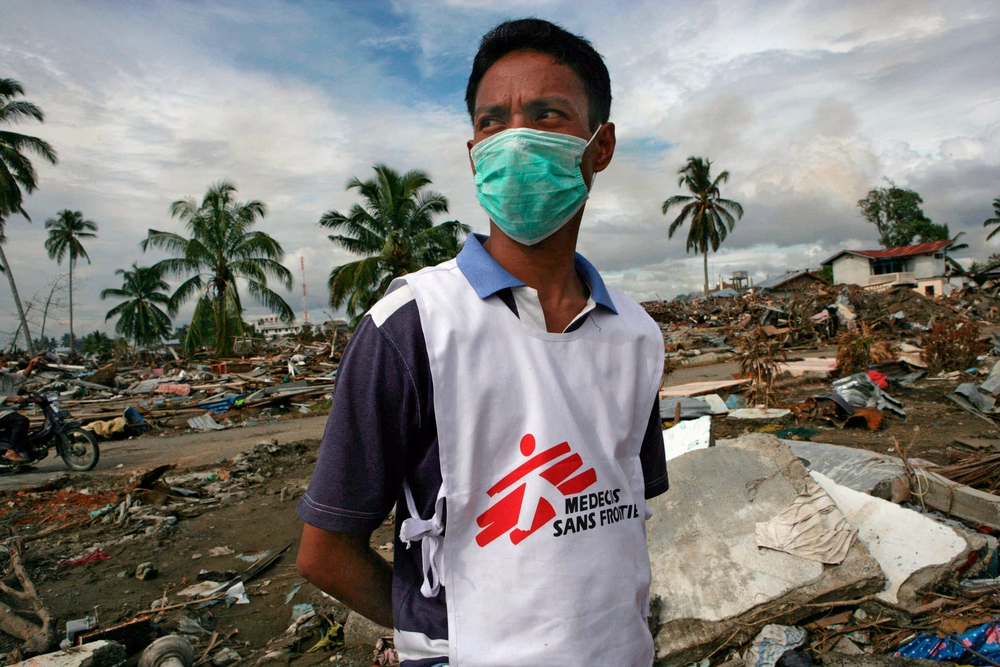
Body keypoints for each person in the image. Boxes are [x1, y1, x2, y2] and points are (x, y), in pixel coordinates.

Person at [297, 18, 668, 667]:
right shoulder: (412, 326)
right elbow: (324, 551)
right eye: (494, 121)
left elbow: (619, 516)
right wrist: (435, 632)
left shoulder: (635, 334)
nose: (516, 141)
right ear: (474, 153)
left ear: (600, 145)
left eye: (548, 114)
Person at [0, 355, 42, 462]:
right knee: (21, 421)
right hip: (1, 412)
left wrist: (31, 365)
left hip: (7, 411)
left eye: (6, 361)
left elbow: (22, 376)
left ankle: (23, 454)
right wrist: (12, 399)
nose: (6, 364)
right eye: (3, 362)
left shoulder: (6, 376)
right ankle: (11, 451)